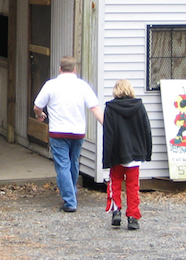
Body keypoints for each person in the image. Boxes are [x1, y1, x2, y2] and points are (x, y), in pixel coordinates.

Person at [33, 56, 103, 213]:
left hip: (58, 132)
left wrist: (39, 115)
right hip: (78, 133)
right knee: (73, 162)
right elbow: (95, 108)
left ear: (60, 69)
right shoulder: (82, 86)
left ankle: (70, 201)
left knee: (63, 165)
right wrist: (108, 125)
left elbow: (37, 106)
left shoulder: (51, 85)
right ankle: (71, 192)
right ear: (74, 69)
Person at [102, 79, 152, 230]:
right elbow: (146, 130)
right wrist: (147, 152)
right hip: (135, 154)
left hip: (117, 152)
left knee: (115, 182)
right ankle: (133, 217)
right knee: (133, 186)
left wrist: (107, 157)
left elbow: (108, 134)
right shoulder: (139, 106)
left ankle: (116, 210)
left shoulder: (110, 108)